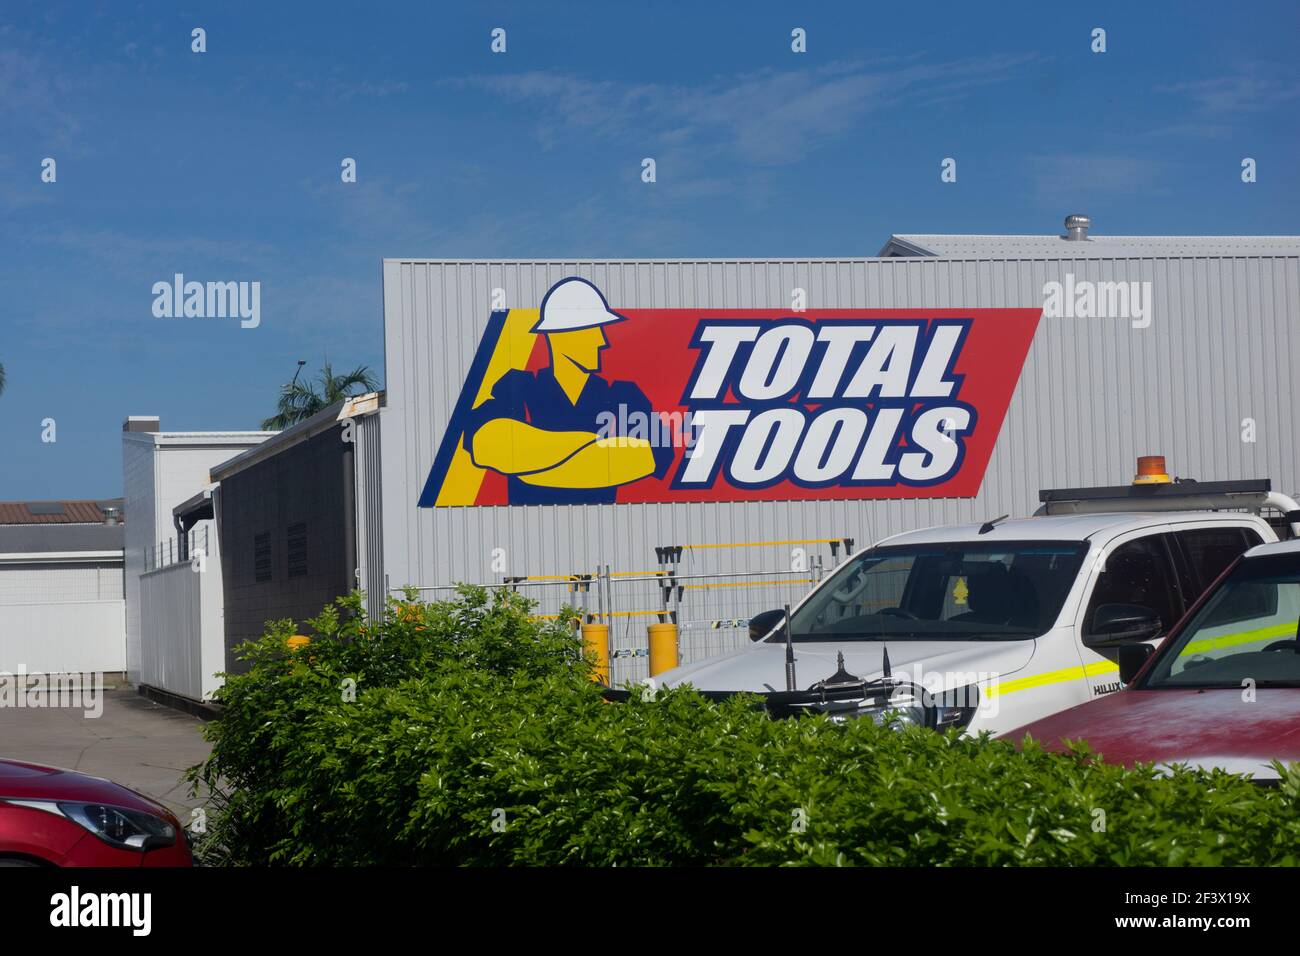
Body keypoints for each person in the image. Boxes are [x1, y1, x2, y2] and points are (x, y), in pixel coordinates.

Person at [463, 278, 673, 504]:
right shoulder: (519, 387)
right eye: (591, 330)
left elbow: (655, 454)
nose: (602, 340)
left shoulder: (623, 395)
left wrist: (531, 461)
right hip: (530, 528)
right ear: (557, 337)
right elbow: (486, 444)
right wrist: (596, 448)